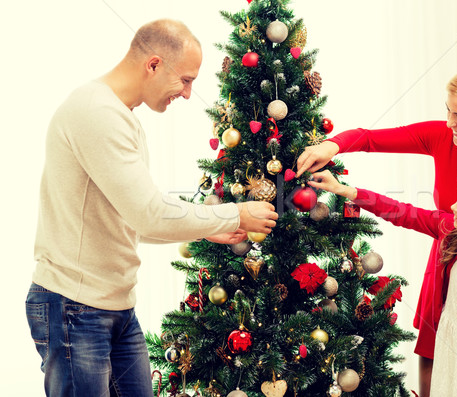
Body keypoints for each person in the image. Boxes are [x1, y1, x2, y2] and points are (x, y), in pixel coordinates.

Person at [25, 19, 278, 397]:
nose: (189, 94)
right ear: (154, 64)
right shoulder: (96, 112)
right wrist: (235, 213)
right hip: (75, 309)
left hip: (115, 308)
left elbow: (132, 219)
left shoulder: (121, 116)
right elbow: (148, 211)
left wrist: (206, 229)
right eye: (186, 80)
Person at [295, 62, 457, 396]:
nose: (449, 123)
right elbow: (374, 149)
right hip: (443, 266)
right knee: (433, 363)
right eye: (449, 111)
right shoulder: (443, 140)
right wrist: (332, 146)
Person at [309, 167, 457, 397]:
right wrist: (343, 190)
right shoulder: (450, 230)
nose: (453, 207)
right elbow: (401, 212)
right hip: (447, 350)